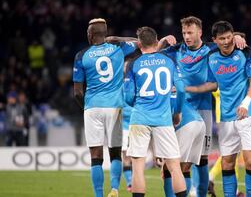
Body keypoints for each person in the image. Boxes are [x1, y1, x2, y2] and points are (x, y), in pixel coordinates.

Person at [159, 16, 246, 197]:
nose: (186, 36)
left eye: (190, 32)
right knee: (177, 161)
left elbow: (227, 41)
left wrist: (238, 37)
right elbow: (153, 55)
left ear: (199, 32)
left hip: (203, 108)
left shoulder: (210, 49)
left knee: (202, 159)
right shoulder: (176, 50)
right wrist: (162, 42)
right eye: (184, 32)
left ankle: (200, 194)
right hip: (180, 108)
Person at [186, 21, 251, 197]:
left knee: (250, 162)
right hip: (226, 117)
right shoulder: (211, 57)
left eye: (229, 37)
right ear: (214, 40)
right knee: (227, 163)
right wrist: (188, 89)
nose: (227, 41)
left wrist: (246, 102)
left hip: (248, 113)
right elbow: (212, 84)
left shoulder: (246, 51)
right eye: (222, 38)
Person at [72, 18, 137, 197]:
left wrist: (86, 108)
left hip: (92, 107)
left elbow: (77, 92)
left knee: (96, 156)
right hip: (114, 107)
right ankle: (115, 189)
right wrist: (119, 38)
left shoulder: (81, 55)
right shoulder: (118, 49)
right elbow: (141, 42)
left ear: (90, 35)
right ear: (105, 34)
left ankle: (99, 195)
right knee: (115, 152)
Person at [124, 26, 187, 197]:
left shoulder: (133, 64)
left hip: (140, 118)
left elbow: (127, 96)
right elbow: (181, 89)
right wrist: (177, 112)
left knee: (138, 168)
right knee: (174, 166)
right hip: (164, 119)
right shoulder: (169, 61)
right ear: (156, 39)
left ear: (139, 44)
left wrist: (137, 103)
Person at [163, 87, 206, 196]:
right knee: (185, 169)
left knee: (170, 167)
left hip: (186, 125)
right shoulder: (172, 91)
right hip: (200, 123)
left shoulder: (158, 97)